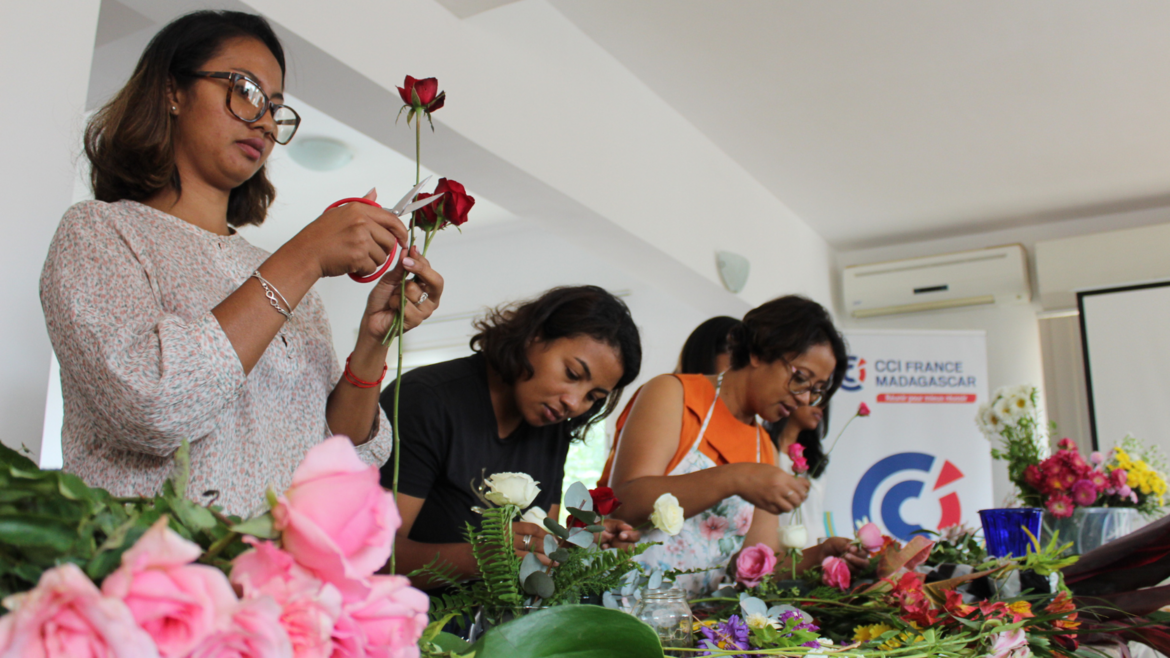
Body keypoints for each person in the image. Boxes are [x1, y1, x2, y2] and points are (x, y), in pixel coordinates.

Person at [39, 10, 442, 517]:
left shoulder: (284, 275)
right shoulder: (99, 232)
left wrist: (373, 342)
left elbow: (336, 459)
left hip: (279, 563)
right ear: (172, 90)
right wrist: (306, 254)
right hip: (154, 558)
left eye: (275, 107)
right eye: (245, 90)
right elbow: (152, 407)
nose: (267, 123)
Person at [380, 286, 641, 587]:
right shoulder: (424, 401)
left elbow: (537, 541)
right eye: (571, 374)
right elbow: (372, 556)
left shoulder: (552, 428)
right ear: (534, 335)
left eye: (592, 397)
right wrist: (480, 558)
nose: (574, 403)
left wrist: (582, 541)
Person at [602, 296, 863, 596]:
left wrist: (820, 556)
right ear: (758, 352)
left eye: (816, 390)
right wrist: (735, 478)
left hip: (690, 618)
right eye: (800, 378)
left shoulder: (763, 447)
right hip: (624, 604)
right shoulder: (674, 394)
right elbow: (625, 503)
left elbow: (755, 564)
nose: (804, 398)